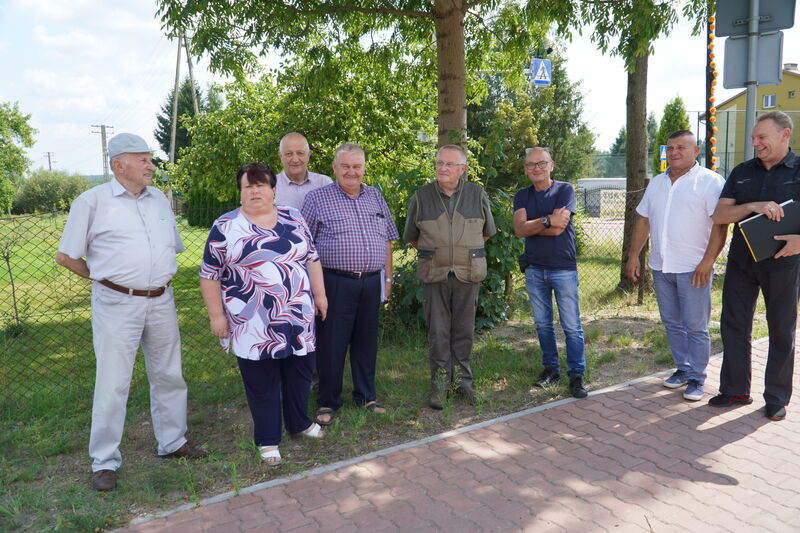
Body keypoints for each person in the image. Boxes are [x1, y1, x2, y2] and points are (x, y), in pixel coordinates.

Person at [55, 133, 206, 492]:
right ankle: (104, 460)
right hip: (116, 305)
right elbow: (66, 256)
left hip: (162, 300)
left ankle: (172, 441)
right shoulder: (92, 202)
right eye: (142, 159)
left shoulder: (159, 201)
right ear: (118, 164)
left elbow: (172, 249)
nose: (150, 165)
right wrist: (106, 280)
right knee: (113, 382)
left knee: (169, 374)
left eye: (149, 159)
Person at [199, 163, 328, 465]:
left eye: (261, 185)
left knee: (300, 373)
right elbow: (209, 275)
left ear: (273, 190)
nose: (255, 191)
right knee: (262, 381)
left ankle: (299, 422)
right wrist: (216, 316)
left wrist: (320, 295)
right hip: (252, 323)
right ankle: (268, 440)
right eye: (248, 186)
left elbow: (312, 258)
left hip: (297, 316)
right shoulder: (225, 226)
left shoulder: (293, 218)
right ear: (241, 191)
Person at [709, 111, 800, 421]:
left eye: (762, 137)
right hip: (741, 261)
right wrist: (752, 206)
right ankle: (735, 389)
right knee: (733, 325)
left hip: (784, 263)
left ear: (785, 134)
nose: (755, 143)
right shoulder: (742, 172)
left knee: (781, 330)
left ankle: (776, 398)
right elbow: (720, 216)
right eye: (753, 138)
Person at [301, 142, 399, 426]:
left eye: (357, 166)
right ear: (334, 168)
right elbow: (305, 248)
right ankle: (328, 401)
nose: (351, 172)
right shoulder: (317, 198)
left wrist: (388, 278)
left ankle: (366, 395)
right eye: (345, 166)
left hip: (371, 282)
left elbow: (387, 240)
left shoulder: (376, 197)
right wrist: (314, 289)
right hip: (335, 282)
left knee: (366, 342)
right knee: (332, 344)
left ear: (364, 169)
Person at [626, 130, 726, 402]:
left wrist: (708, 262)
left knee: (695, 326)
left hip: (694, 268)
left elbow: (720, 224)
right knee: (672, 323)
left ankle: (697, 377)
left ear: (696, 150)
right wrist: (634, 255)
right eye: (670, 148)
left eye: (681, 147)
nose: (674, 153)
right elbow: (643, 220)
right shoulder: (657, 182)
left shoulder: (710, 182)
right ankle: (682, 369)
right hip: (661, 267)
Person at [403, 145, 496, 410]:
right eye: (439, 163)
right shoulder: (421, 197)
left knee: (464, 330)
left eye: (449, 164)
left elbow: (486, 232)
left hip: (469, 273)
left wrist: (463, 252)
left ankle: (464, 384)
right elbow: (412, 237)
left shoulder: (477, 194)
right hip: (435, 275)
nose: (442, 168)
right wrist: (439, 253)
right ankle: (440, 386)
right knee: (438, 331)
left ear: (463, 169)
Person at [513, 147, 588, 399]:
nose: (536, 168)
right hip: (534, 268)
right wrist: (547, 220)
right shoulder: (522, 195)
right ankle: (550, 370)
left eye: (541, 163)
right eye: (531, 164)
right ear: (525, 169)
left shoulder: (564, 190)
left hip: (562, 268)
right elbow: (520, 230)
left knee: (571, 325)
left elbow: (559, 229)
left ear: (551, 165)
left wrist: (533, 225)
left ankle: (576, 375)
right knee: (543, 324)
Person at [274, 132, 332, 209]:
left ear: (309, 155)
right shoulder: (271, 186)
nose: (295, 160)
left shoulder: (324, 184)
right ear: (280, 156)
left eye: (300, 153)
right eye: (289, 154)